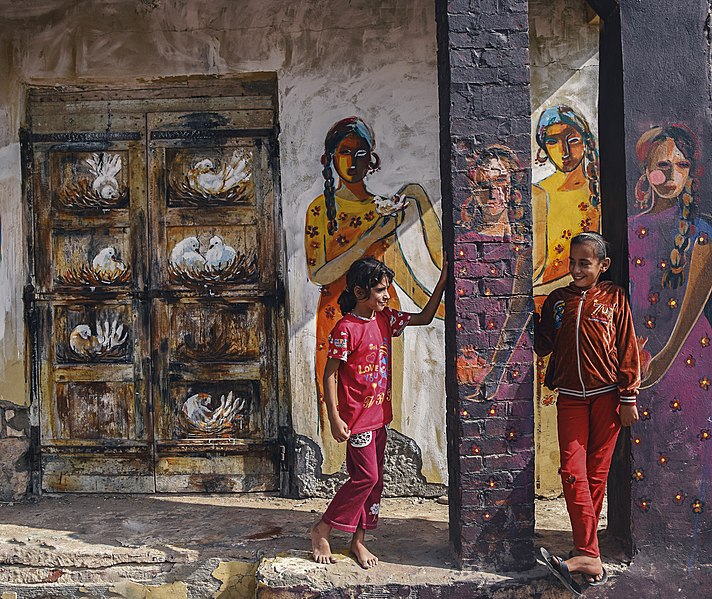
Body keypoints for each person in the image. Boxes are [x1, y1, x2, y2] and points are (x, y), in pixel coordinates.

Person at [305, 116, 444, 474]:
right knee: (337, 392)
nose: (352, 161)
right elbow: (319, 272)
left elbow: (397, 269)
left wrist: (441, 292)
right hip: (338, 314)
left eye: (361, 153)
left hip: (382, 313)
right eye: (344, 152)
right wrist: (370, 236)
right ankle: (345, 478)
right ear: (331, 158)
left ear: (373, 160)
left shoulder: (385, 208)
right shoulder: (320, 210)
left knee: (379, 396)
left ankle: (373, 480)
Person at [311, 256, 447, 569]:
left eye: (387, 289)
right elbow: (330, 374)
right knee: (365, 477)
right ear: (360, 292)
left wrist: (441, 283)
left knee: (375, 483)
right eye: (380, 290)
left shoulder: (386, 320)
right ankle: (323, 528)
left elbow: (425, 318)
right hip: (357, 422)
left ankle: (358, 542)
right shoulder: (346, 329)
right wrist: (334, 415)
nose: (386, 296)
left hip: (379, 419)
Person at [534, 232, 640, 594]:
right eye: (573, 262)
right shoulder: (558, 301)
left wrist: (628, 397)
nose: (576, 269)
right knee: (572, 471)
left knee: (596, 475)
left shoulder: (614, 298)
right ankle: (589, 556)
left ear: (602, 266)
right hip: (570, 397)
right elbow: (542, 342)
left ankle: (585, 555)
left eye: (585, 263)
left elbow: (627, 347)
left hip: (609, 398)